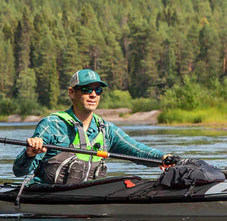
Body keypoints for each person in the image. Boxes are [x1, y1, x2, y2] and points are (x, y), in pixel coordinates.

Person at [13, 68, 177, 185]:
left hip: (87, 202)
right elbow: (19, 171)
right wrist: (29, 154)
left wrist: (163, 158)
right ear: (72, 93)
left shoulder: (105, 129)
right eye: (86, 89)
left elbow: (137, 150)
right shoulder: (52, 124)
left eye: (98, 90)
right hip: (47, 200)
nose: (93, 95)